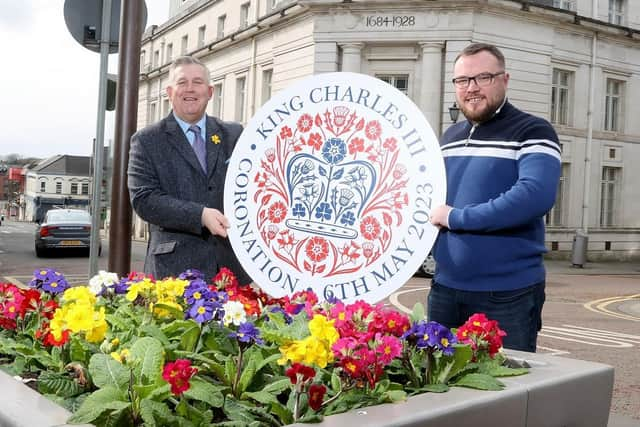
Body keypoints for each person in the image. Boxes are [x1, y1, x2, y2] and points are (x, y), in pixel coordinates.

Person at [428, 43, 561, 352]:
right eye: (462, 81)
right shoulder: (449, 138)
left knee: (505, 391)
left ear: (505, 79)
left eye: (483, 77)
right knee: (438, 388)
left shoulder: (533, 130)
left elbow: (534, 196)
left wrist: (456, 217)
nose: (471, 88)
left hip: (506, 295)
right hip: (444, 289)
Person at [128, 56, 251, 284]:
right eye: (182, 82)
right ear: (169, 91)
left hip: (231, 269)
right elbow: (144, 199)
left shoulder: (234, 134)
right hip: (174, 272)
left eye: (198, 82)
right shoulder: (146, 140)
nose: (190, 89)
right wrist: (200, 215)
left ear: (210, 91)